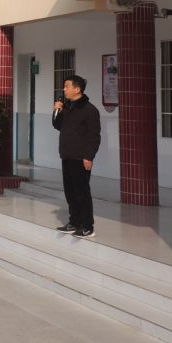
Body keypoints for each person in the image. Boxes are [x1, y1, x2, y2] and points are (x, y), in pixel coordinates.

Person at [53, 74, 102, 239]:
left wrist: (89, 156)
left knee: (82, 192)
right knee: (70, 192)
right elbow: (57, 125)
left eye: (67, 86)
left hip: (80, 157)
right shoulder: (67, 107)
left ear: (77, 89)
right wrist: (57, 110)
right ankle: (74, 222)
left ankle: (88, 226)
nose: (64, 89)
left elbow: (94, 136)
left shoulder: (90, 110)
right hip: (67, 155)